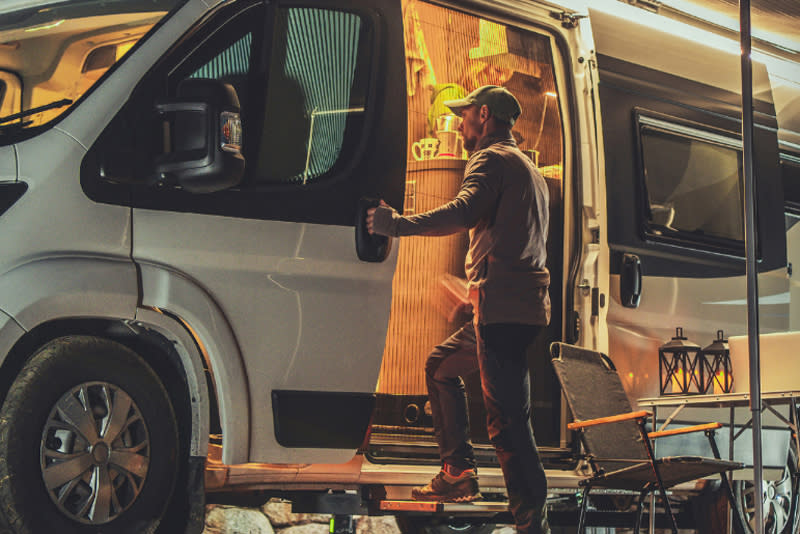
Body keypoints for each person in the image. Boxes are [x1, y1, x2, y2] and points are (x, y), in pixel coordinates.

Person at [366, 85, 551, 534]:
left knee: (508, 426)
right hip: (513, 307)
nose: (461, 124)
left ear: (483, 115)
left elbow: (462, 212)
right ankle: (457, 474)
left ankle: (532, 525)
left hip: (502, 311)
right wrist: (473, 288)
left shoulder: (490, 160)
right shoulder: (529, 169)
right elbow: (511, 244)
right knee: (441, 367)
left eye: (464, 115)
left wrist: (398, 225)